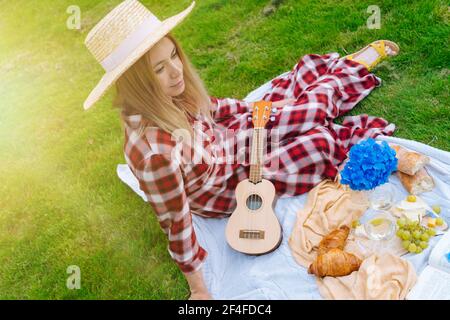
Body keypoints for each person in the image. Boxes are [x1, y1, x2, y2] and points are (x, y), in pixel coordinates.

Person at [83, 0, 399, 300]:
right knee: (320, 143)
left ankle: (346, 71)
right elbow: (176, 223)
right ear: (137, 82)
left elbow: (213, 109)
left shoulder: (167, 94)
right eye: (159, 69)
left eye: (173, 56)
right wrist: (199, 290)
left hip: (228, 143)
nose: (176, 71)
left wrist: (258, 108)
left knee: (294, 106)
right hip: (227, 187)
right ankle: (343, 78)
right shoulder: (155, 155)